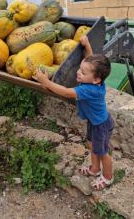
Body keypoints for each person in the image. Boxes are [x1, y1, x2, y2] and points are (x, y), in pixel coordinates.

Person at [33, 36, 114, 190]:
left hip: (101, 125)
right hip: (95, 122)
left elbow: (66, 92)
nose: (78, 73)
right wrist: (87, 44)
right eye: (79, 69)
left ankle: (108, 177)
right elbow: (90, 61)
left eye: (82, 73)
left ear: (96, 79)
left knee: (103, 152)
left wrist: (46, 82)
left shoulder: (89, 89)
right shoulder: (95, 80)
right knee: (92, 146)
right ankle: (95, 169)